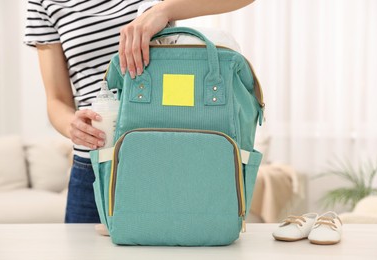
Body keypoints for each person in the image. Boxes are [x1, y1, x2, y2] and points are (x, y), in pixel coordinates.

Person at [24, 0, 255, 224]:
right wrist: (71, 126)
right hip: (95, 162)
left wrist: (164, 10)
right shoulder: (42, 3)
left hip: (166, 159)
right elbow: (57, 100)